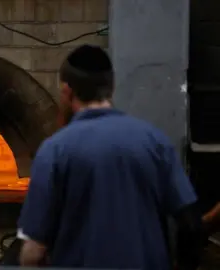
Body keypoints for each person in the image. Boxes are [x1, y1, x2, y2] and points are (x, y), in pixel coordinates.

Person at [17, 45, 205, 269]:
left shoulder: (54, 150)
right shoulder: (155, 141)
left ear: (67, 91)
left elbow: (33, 252)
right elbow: (191, 224)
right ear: (112, 88)